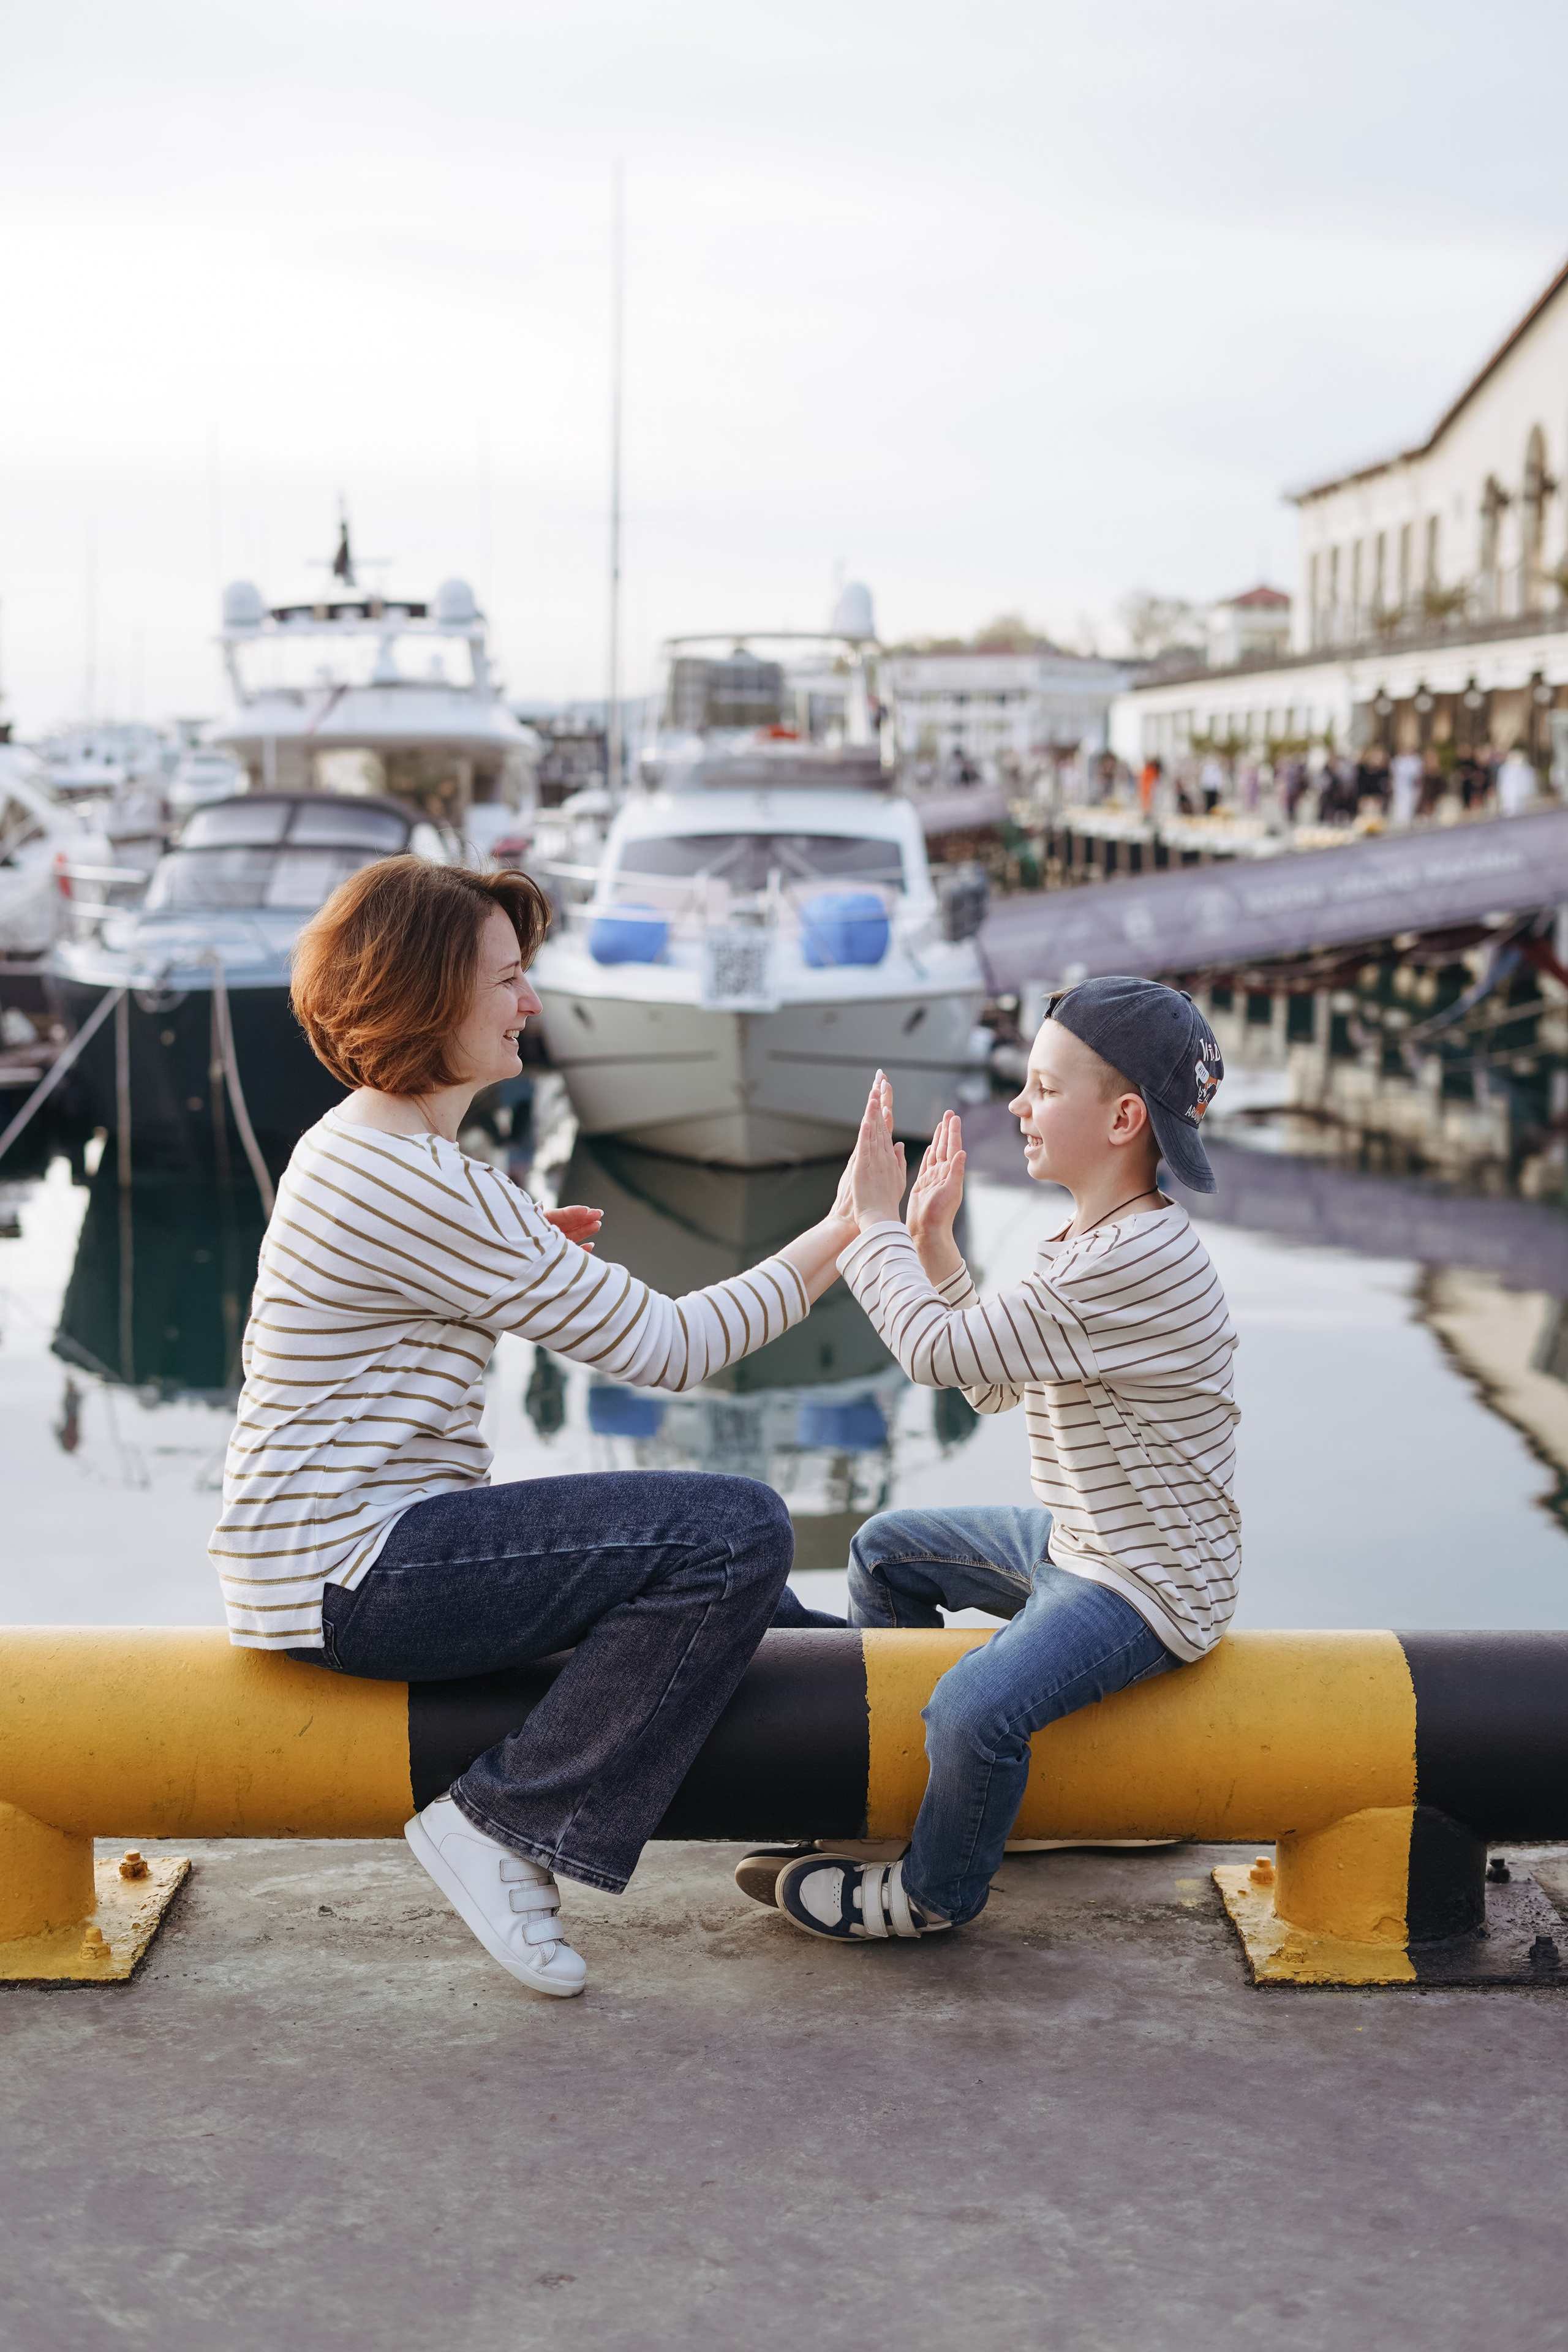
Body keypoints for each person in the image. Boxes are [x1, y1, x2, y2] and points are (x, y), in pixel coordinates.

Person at [209, 854, 857, 1997]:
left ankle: (890, 1796)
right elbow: (670, 1349)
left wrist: (507, 1252)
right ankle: (504, 1821)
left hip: (330, 1558)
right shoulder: (420, 1180)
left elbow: (414, 1282)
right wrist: (845, 1232)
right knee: (736, 1533)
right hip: (355, 1571)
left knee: (783, 1613)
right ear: (423, 997)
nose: (532, 1003)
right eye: (506, 978)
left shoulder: (373, 1150)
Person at [758, 979, 1241, 1945]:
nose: (1017, 1106)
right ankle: (902, 1794)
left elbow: (937, 1356)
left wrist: (874, 1225)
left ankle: (937, 1889)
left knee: (975, 1710)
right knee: (886, 1552)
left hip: (1146, 1584)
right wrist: (933, 1246)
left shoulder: (1133, 1261)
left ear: (1123, 1118)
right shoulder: (1088, 1240)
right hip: (1083, 1543)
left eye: (1041, 1087)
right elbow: (992, 1384)